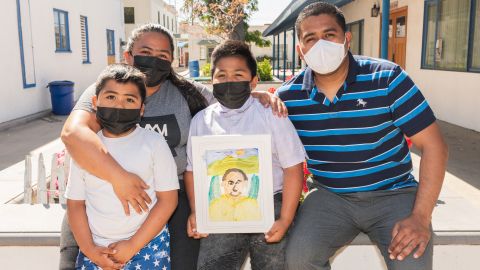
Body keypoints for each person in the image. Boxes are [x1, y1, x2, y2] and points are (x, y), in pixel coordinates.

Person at [59, 23, 288, 270]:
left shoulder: (189, 92)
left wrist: (258, 95)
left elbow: (228, 99)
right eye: (145, 52)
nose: (153, 61)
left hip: (173, 192)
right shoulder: (107, 89)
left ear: (171, 61)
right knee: (71, 261)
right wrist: (118, 177)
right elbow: (73, 133)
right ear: (129, 55)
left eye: (163, 56)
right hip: (103, 189)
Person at [276, 2, 449, 270]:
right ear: (300, 50)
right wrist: (257, 98)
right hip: (330, 196)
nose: (320, 44)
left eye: (329, 35)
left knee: (411, 263)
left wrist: (420, 217)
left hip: (393, 193)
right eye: (310, 38)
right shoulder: (288, 98)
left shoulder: (387, 78)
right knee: (298, 259)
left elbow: (434, 146)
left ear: (346, 39)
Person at [184, 40, 306, 270]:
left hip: (272, 204)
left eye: (238, 74)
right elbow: (192, 172)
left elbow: (293, 167)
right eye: (221, 75)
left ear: (253, 81)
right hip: (220, 207)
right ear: (211, 80)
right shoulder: (201, 120)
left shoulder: (271, 114)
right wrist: (196, 211)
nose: (229, 81)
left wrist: (285, 219)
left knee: (274, 264)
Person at [65, 64, 178, 270]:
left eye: (129, 99)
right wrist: (90, 250)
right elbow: (75, 205)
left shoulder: (154, 143)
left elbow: (168, 200)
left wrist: (133, 245)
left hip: (148, 247)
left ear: (141, 108)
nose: (119, 105)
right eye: (110, 97)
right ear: (94, 103)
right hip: (97, 250)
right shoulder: (85, 150)